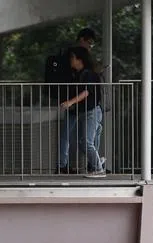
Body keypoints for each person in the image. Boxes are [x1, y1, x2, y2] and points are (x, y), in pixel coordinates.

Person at [54, 27, 98, 173]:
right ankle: (94, 165)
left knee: (86, 139)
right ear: (82, 40)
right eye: (89, 42)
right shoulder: (75, 61)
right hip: (79, 105)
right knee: (83, 139)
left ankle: (94, 164)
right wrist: (70, 101)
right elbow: (86, 90)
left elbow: (87, 89)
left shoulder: (85, 71)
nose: (90, 46)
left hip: (82, 105)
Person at [60, 47, 104, 177]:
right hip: (86, 112)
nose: (70, 60)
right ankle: (97, 163)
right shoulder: (79, 74)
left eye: (72, 57)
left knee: (86, 142)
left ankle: (98, 168)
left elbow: (86, 92)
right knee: (85, 142)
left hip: (92, 112)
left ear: (79, 59)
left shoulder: (88, 74)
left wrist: (70, 102)